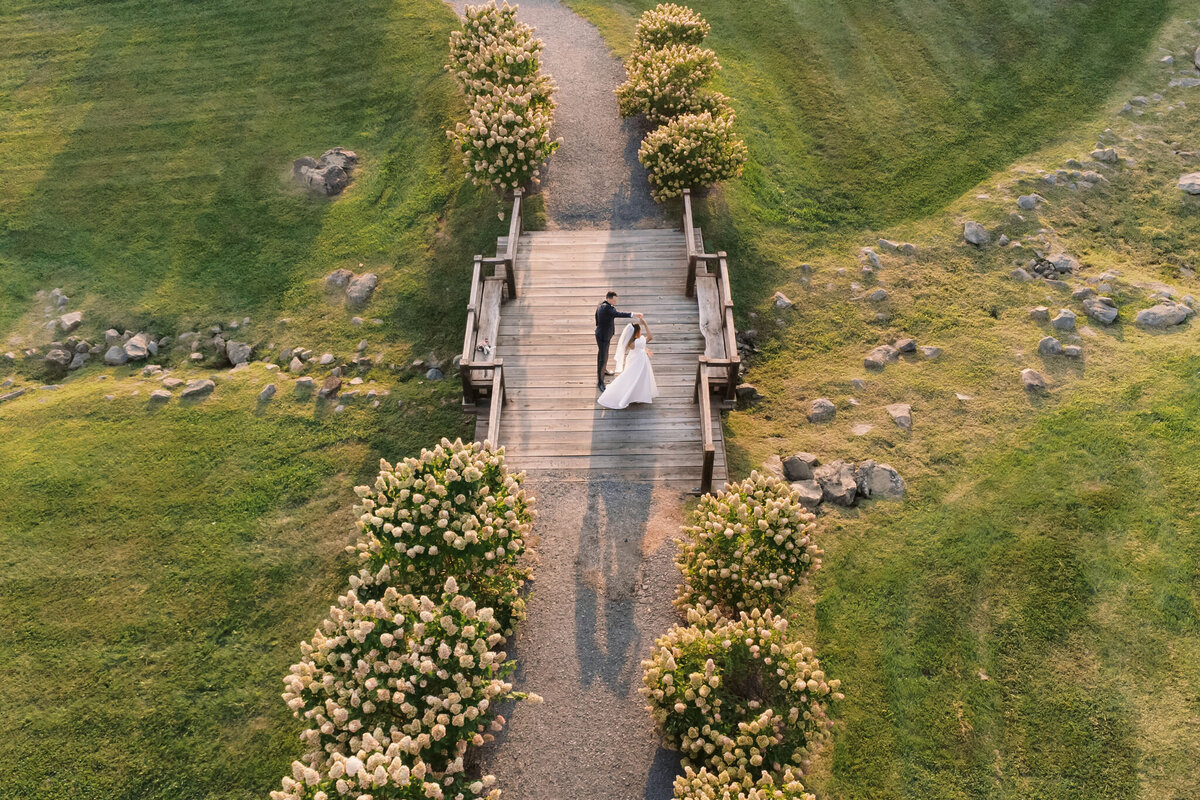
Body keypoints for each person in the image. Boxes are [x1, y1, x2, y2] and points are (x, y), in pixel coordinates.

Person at [598, 319, 658, 409]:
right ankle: (637, 394)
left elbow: (640, 346)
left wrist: (645, 349)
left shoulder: (631, 343)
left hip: (633, 359)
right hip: (641, 361)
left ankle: (629, 393)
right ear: (638, 331)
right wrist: (645, 324)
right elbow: (650, 337)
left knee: (631, 377)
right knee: (640, 377)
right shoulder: (640, 340)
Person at [595, 291, 642, 391]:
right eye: (614, 300)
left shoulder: (601, 304)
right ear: (609, 298)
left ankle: (604, 370)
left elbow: (597, 317)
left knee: (604, 354)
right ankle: (600, 382)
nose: (616, 302)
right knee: (602, 357)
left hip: (602, 334)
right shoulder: (607, 308)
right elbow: (618, 314)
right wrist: (634, 314)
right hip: (603, 336)